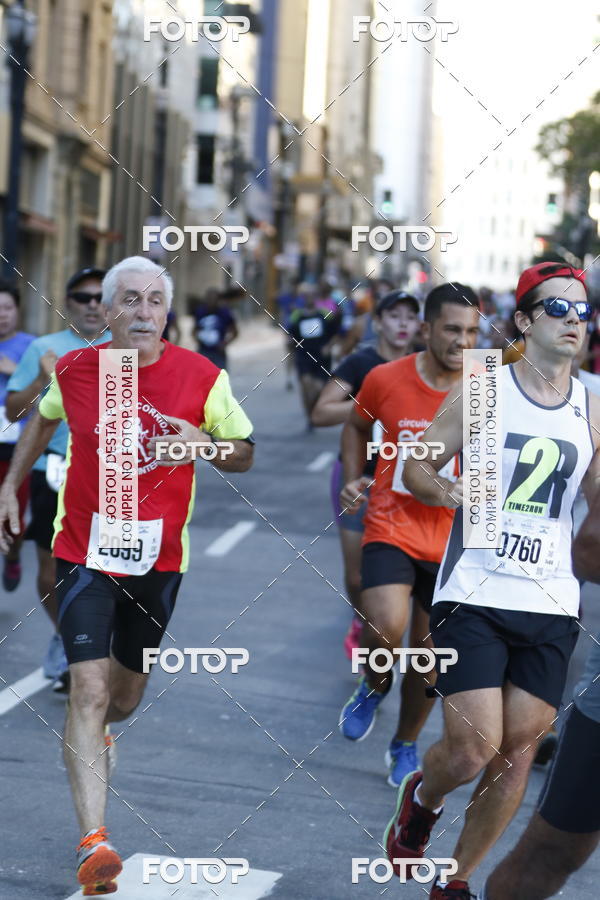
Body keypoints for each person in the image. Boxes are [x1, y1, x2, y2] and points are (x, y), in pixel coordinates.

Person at [0, 255, 254, 896]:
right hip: (84, 550)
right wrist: (10, 485)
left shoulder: (201, 375)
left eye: (155, 301)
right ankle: (95, 842)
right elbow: (43, 417)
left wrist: (204, 443)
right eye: (131, 300)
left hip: (158, 561)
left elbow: (244, 452)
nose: (144, 313)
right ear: (107, 310)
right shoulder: (81, 369)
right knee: (85, 691)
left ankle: (100, 735)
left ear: (168, 311)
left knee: (122, 698)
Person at [385, 262, 600, 899]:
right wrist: (449, 489)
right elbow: (416, 466)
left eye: (582, 311)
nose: (573, 323)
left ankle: (456, 882)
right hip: (475, 587)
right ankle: (421, 798)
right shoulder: (484, 391)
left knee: (518, 751)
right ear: (525, 320)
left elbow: (596, 500)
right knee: (475, 745)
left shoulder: (591, 403)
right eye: (558, 310)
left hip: (552, 596)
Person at [338, 283, 480, 788]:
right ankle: (373, 686)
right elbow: (355, 426)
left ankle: (403, 745)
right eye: (451, 329)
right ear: (426, 329)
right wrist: (355, 475)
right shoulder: (384, 378)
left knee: (427, 659)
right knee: (384, 627)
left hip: (452, 543)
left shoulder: (486, 388)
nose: (463, 341)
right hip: (391, 525)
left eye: (472, 331)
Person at [6, 267, 108, 691]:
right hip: (55, 467)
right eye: (82, 297)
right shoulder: (45, 347)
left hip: (111, 471)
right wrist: (43, 378)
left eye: (100, 296)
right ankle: (66, 637)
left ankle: (84, 648)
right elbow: (13, 411)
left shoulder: (130, 350)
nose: (91, 304)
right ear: (67, 303)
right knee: (51, 574)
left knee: (103, 570)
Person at [311, 291, 422, 661]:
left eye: (410, 316)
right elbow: (322, 412)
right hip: (357, 476)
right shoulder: (362, 363)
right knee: (356, 575)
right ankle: (361, 620)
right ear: (377, 323)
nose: (403, 323)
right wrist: (369, 402)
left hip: (405, 482)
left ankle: (385, 628)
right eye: (394, 315)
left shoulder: (426, 366)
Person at [0, 280, 35, 590]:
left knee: (12, 518)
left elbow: (49, 391)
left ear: (17, 311)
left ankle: (12, 556)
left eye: (7, 308)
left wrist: (15, 371)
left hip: (16, 447)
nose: (2, 315)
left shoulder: (31, 346)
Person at [288, 284, 342, 429]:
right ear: (303, 298)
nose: (309, 298)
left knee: (318, 388)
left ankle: (314, 411)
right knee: (306, 386)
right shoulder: (297, 315)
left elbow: (336, 333)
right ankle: (309, 417)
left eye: (312, 294)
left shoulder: (325, 313)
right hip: (303, 355)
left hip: (322, 356)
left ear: (317, 297)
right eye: (306, 295)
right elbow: (291, 335)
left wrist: (328, 347)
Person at [192, 288, 238, 369]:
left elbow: (235, 332)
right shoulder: (200, 312)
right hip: (203, 351)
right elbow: (194, 330)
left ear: (218, 300)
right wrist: (198, 340)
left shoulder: (225, 313)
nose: (210, 302)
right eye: (208, 299)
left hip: (218, 352)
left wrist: (225, 343)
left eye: (213, 299)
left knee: (220, 377)